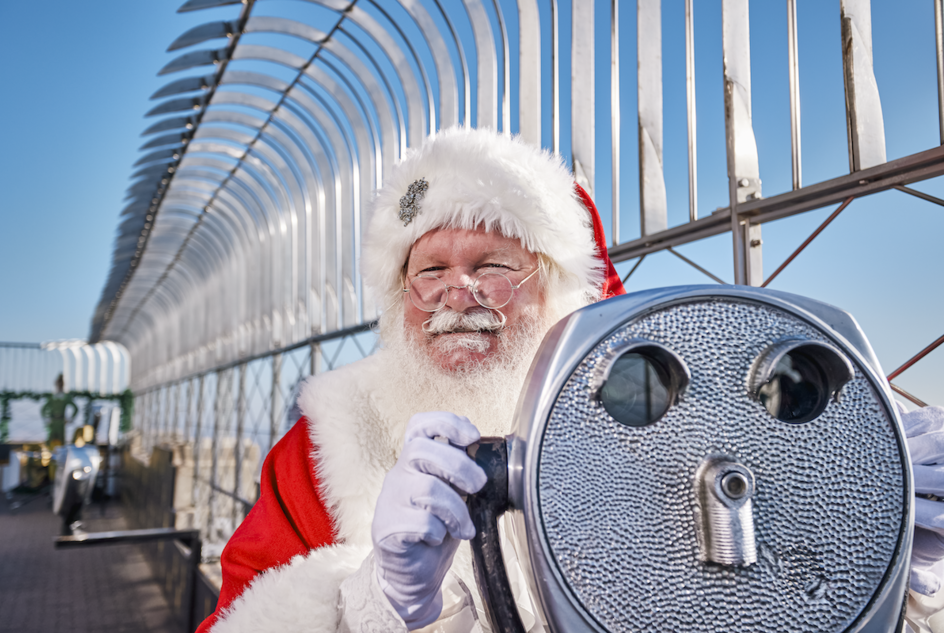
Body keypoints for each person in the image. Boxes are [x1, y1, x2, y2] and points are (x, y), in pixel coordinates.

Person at [196, 128, 944, 632]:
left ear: (561, 287)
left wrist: (880, 542)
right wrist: (380, 602)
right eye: (428, 271)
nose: (459, 294)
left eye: (492, 264)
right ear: (398, 299)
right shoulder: (324, 447)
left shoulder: (678, 391)